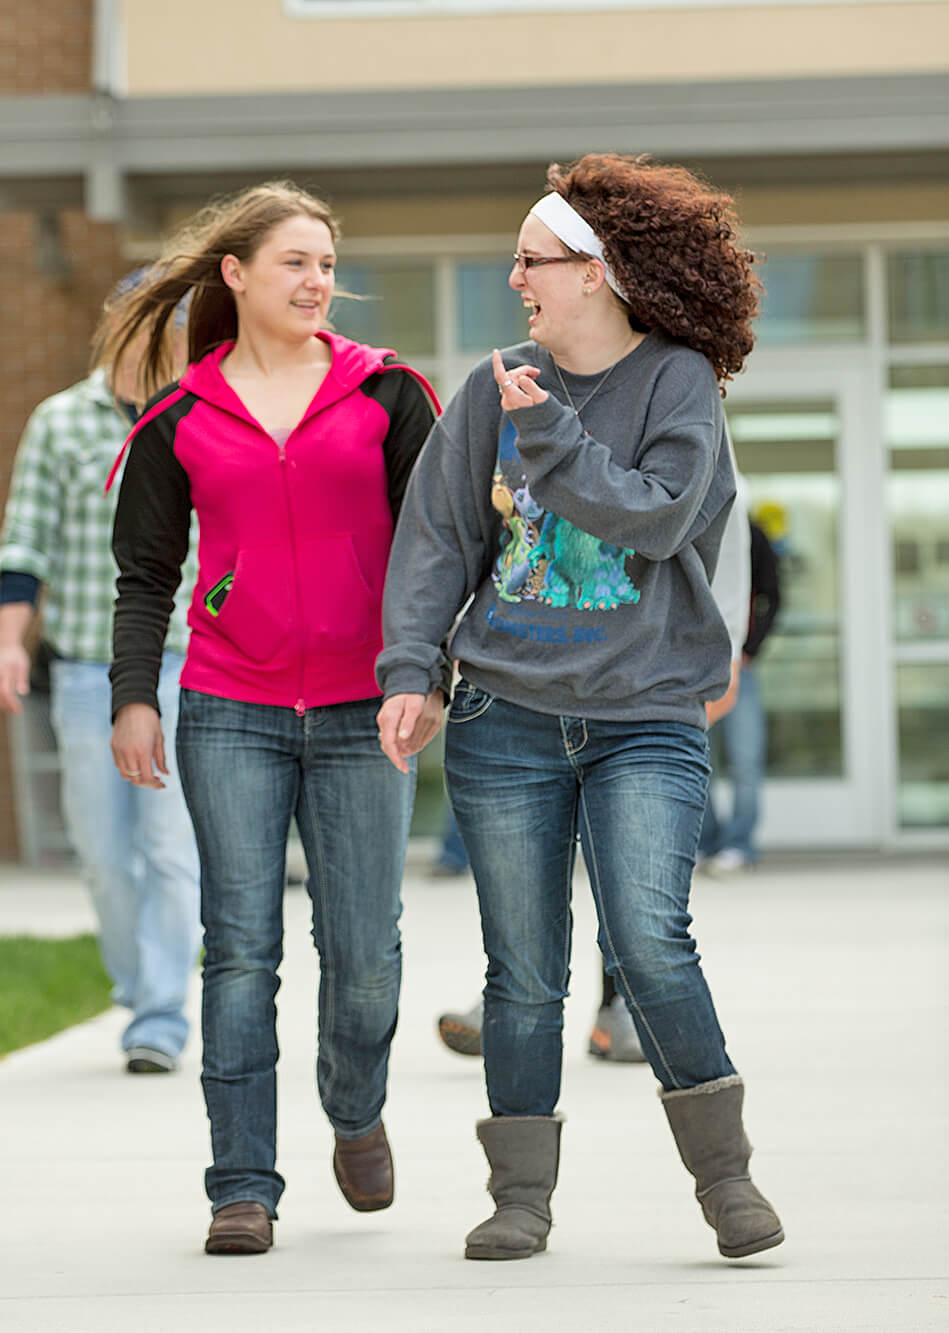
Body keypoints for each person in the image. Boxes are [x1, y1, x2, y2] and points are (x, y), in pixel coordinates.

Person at [376, 154, 784, 1262]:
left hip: (644, 712)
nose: (514, 279)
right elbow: (437, 541)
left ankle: (726, 1180)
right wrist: (409, 670)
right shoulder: (489, 383)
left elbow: (651, 520)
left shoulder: (677, 383)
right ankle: (520, 1197)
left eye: (531, 260)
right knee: (521, 964)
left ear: (596, 273)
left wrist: (548, 432)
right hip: (502, 713)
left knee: (650, 942)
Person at [101, 181, 442, 1255]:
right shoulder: (180, 417)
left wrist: (421, 672)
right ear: (236, 275)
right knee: (239, 950)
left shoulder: (387, 394)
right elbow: (144, 574)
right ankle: (240, 1183)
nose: (317, 281)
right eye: (295, 261)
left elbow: (437, 548)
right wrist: (131, 699)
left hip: (363, 707)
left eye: (327, 264)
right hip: (229, 706)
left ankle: (354, 1106)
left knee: (364, 951)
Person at [437, 486, 753, 1064]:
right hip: (533, 693)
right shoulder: (528, 426)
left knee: (633, 897)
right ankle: (510, 1004)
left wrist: (709, 673)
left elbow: (725, 570)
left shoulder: (695, 435)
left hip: (644, 702)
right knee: (526, 902)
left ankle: (622, 1009)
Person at [0, 274, 201, 1075]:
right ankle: (141, 977)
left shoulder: (200, 416)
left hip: (182, 662)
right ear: (119, 326)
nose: (164, 342)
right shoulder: (59, 422)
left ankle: (158, 1015)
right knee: (104, 853)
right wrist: (10, 643)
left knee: (170, 846)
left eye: (174, 328)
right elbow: (23, 546)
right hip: (83, 670)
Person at [699, 514, 782, 873]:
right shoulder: (691, 523)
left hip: (739, 666)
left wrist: (749, 649)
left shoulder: (752, 534)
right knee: (697, 760)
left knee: (746, 760)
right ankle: (705, 843)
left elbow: (773, 596)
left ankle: (740, 845)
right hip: (695, 668)